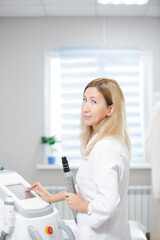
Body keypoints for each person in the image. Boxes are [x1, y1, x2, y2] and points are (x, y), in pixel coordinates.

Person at [28, 78, 131, 240]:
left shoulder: (105, 148)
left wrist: (82, 206)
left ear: (110, 110)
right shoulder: (107, 141)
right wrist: (51, 198)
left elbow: (107, 204)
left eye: (94, 101)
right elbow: (87, 189)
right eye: (84, 100)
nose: (85, 107)